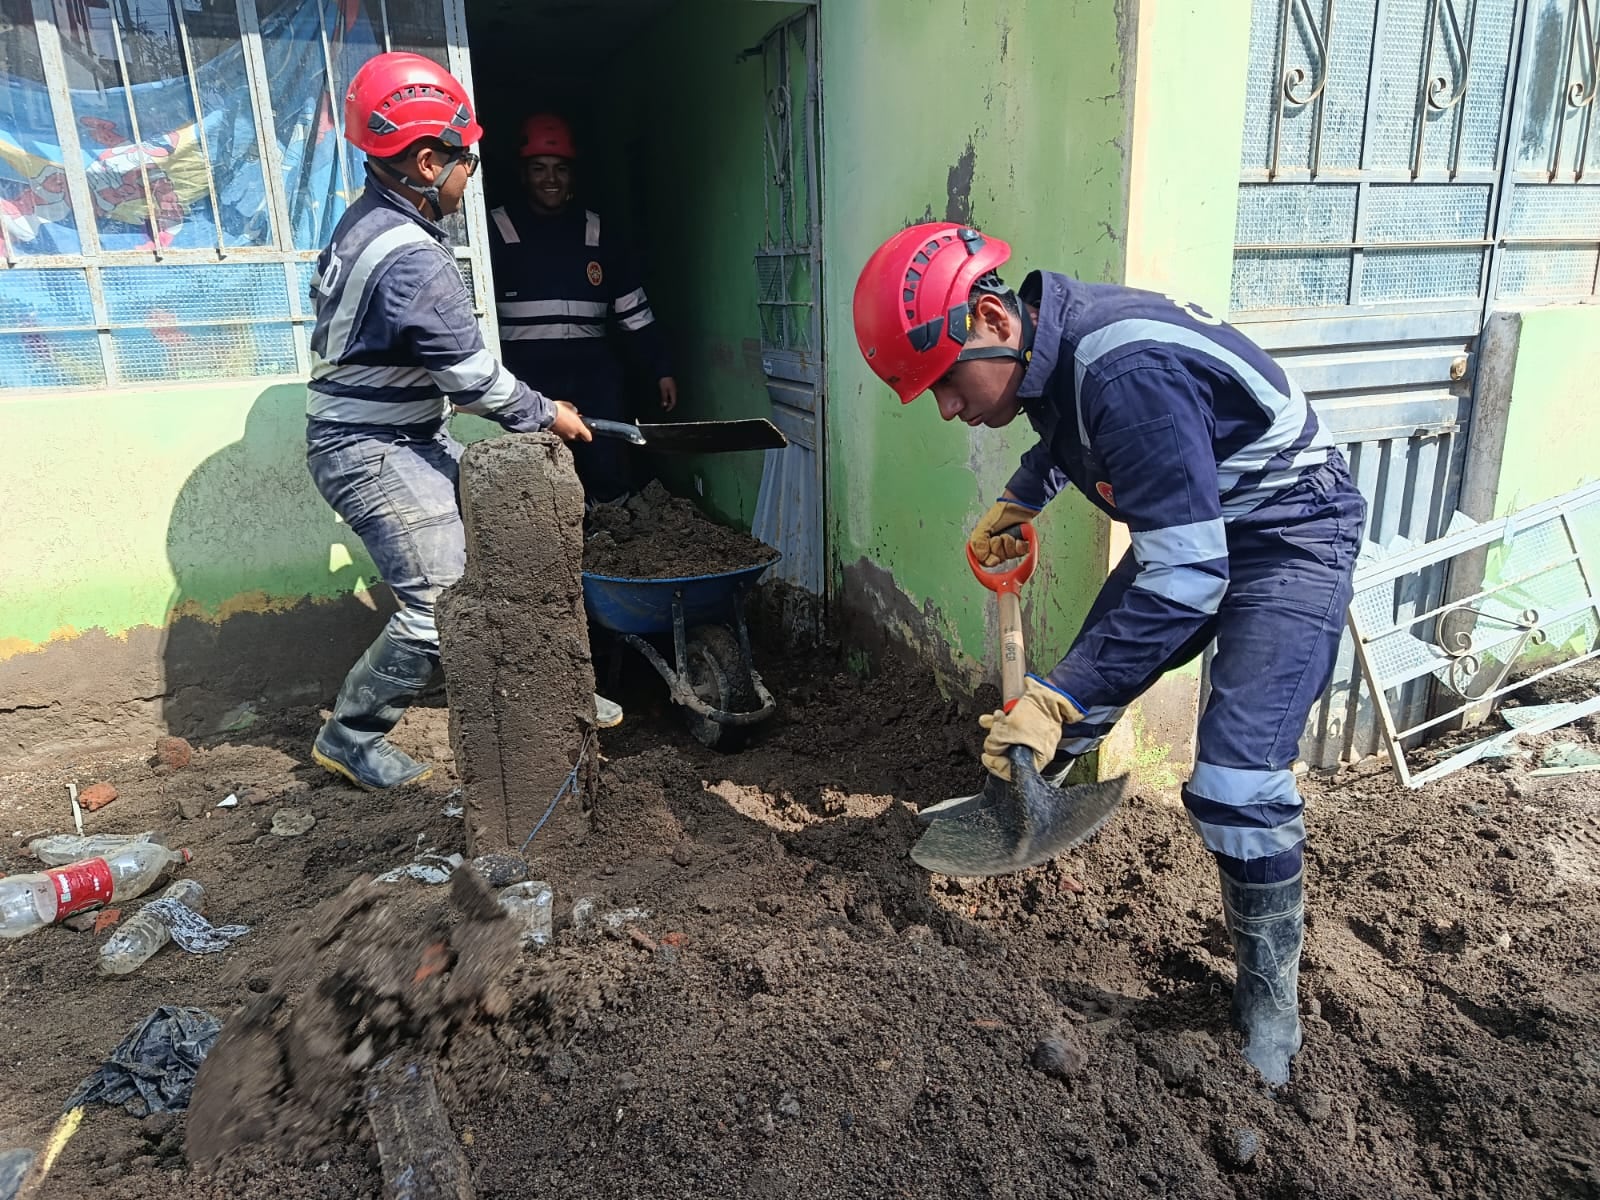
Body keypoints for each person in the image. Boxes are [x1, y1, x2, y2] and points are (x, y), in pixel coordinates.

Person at [852, 222, 1366, 1087]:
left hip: (1288, 531)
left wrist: (1054, 697)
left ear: (989, 318)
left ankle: (1271, 997)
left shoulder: (1123, 371)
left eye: (944, 381)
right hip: (1201, 524)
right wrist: (1020, 500)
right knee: (1075, 700)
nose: (947, 409)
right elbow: (1069, 435)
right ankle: (1025, 812)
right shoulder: (1055, 349)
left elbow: (1189, 579)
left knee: (1236, 782)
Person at [305, 52, 622, 791]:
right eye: (464, 156)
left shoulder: (377, 222)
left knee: (493, 557)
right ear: (424, 160)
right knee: (439, 598)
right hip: (370, 447)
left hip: (402, 434)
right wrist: (551, 417)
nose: (470, 171)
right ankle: (352, 736)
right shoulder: (409, 256)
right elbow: (474, 379)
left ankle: (547, 696)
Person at [486, 112, 677, 503]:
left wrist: (661, 369)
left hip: (593, 372)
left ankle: (613, 541)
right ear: (523, 174)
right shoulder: (494, 231)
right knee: (535, 472)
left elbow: (633, 312)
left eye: (560, 169)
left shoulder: (598, 232)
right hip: (526, 374)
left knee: (607, 463)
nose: (550, 179)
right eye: (539, 168)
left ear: (573, 175)